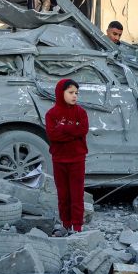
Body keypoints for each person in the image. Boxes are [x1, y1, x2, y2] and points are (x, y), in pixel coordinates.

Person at [45, 79, 89, 236]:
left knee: (77, 194)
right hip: (59, 160)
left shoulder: (81, 112)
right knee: (63, 195)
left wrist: (63, 128)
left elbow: (82, 130)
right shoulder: (52, 114)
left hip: (77, 159)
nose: (74, 96)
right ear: (60, 93)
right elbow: (53, 135)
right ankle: (66, 224)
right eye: (70, 93)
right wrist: (72, 130)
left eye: (76, 93)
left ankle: (77, 227)